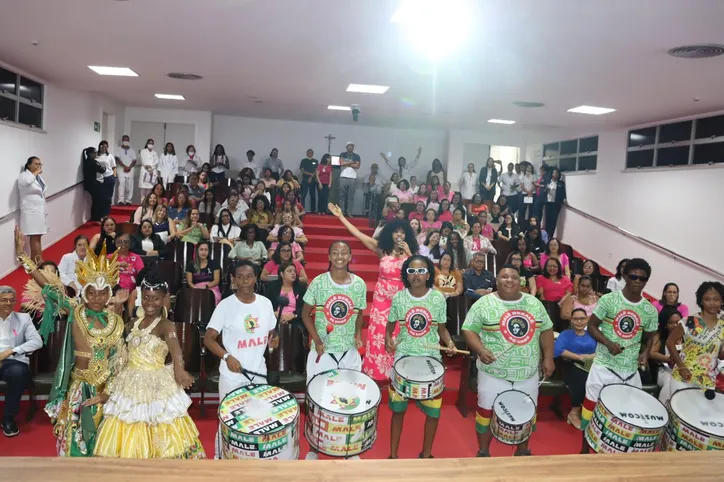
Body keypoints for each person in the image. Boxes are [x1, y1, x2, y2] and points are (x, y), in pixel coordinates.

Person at [15, 226, 126, 456]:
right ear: (84, 292)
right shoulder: (75, 311)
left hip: (105, 390)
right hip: (79, 387)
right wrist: (23, 258)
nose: (97, 298)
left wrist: (107, 393)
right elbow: (47, 286)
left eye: (102, 293)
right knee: (75, 442)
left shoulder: (116, 321)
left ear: (108, 294)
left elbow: (119, 362)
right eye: (92, 292)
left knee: (104, 444)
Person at [93, 272, 205, 458]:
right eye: (146, 298)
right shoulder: (132, 324)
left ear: (163, 300)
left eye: (155, 299)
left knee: (158, 422)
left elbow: (176, 351)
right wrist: (119, 305)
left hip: (156, 382)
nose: (150, 303)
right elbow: (116, 339)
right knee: (128, 420)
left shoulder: (166, 325)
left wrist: (180, 370)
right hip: (129, 382)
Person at [462, 264, 555, 457]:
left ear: (520, 280)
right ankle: (483, 452)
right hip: (493, 372)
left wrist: (548, 358)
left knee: (526, 413)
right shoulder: (483, 303)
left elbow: (546, 329)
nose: (509, 280)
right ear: (496, 280)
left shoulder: (533, 303)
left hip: (527, 373)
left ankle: (522, 451)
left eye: (513, 277)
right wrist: (480, 350)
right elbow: (468, 329)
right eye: (504, 277)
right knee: (486, 412)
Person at [329, 204, 417, 381]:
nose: (399, 235)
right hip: (382, 301)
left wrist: (410, 255)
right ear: (390, 233)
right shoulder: (381, 250)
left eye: (402, 232)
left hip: (403, 301)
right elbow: (358, 235)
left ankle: (399, 373)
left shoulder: (413, 253)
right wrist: (341, 217)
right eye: (395, 232)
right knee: (380, 335)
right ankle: (377, 372)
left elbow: (418, 277)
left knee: (400, 336)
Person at [580, 258, 658, 452]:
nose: (638, 281)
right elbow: (591, 326)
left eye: (642, 278)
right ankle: (584, 447)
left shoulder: (649, 310)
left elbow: (648, 338)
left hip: (630, 371)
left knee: (628, 415)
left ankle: (617, 452)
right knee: (591, 407)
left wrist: (645, 354)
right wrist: (607, 342)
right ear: (624, 276)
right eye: (633, 276)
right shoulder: (609, 300)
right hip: (604, 366)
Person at [203, 260, 279, 458]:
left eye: (249, 276)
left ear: (255, 278)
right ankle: (220, 459)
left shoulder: (265, 303)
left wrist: (274, 343)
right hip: (232, 376)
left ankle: (251, 463)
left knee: (257, 422)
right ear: (233, 279)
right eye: (240, 276)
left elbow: (273, 335)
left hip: (258, 374)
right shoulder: (226, 306)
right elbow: (208, 339)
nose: (245, 280)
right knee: (229, 422)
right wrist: (227, 356)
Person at [301, 241, 367, 459]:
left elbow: (358, 314)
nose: (339, 256)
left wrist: (357, 335)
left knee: (351, 400)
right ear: (329, 257)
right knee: (318, 401)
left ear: (350, 257)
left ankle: (350, 447)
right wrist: (317, 339)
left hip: (348, 352)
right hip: (323, 352)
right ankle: (314, 447)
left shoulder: (359, 284)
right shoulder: (319, 282)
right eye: (335, 253)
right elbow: (305, 314)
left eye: (344, 253)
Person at [385, 255, 454, 459]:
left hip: (430, 359)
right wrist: (388, 339)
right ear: (406, 274)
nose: (416, 275)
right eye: (412, 271)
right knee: (398, 411)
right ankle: (393, 455)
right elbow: (390, 327)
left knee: (433, 413)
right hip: (403, 358)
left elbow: (442, 330)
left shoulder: (438, 298)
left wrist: (449, 343)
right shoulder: (399, 297)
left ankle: (426, 454)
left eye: (421, 271)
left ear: (428, 274)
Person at [664, 281, 724, 402]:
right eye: (707, 299)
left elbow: (721, 356)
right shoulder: (689, 321)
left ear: (721, 301)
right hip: (682, 378)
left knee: (701, 420)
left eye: (716, 299)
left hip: (707, 382)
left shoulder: (723, 327)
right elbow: (670, 342)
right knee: (680, 419)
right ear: (701, 301)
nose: (712, 303)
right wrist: (681, 367)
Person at [0, 286, 42, 437]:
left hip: (13, 361)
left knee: (18, 372)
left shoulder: (23, 319)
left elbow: (37, 342)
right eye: (4, 300)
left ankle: (8, 417)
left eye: (12, 300)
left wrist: (11, 351)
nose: (8, 303)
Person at [554, 307, 597, 429]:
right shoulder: (565, 334)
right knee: (581, 377)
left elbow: (600, 351)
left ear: (587, 320)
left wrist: (589, 356)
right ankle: (574, 413)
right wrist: (579, 358)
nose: (579, 321)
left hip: (592, 365)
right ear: (571, 321)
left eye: (582, 318)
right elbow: (558, 350)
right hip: (570, 365)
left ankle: (593, 413)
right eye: (576, 319)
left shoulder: (592, 334)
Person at [18, 156, 47, 262]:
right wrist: (36, 173)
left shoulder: (38, 177)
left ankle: (37, 260)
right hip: (31, 212)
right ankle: (38, 261)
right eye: (36, 164)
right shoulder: (24, 176)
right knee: (34, 237)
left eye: (40, 164)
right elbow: (27, 182)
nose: (38, 166)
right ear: (29, 165)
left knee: (38, 236)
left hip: (39, 211)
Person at [651, 306, 683, 404]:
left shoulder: (687, 336)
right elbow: (652, 353)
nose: (675, 325)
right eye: (671, 323)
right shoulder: (660, 336)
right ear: (665, 324)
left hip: (682, 370)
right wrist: (668, 359)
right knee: (670, 381)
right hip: (664, 371)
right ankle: (663, 408)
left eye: (678, 322)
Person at [113, 233, 144, 315]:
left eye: (126, 242)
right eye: (120, 242)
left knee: (134, 294)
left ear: (130, 244)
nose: (123, 244)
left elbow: (142, 274)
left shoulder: (136, 257)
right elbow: (103, 274)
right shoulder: (109, 257)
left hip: (131, 289)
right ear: (115, 243)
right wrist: (115, 266)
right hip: (114, 288)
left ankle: (131, 322)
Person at [82, 147, 106, 222]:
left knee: (96, 201)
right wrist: (104, 167)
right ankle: (96, 218)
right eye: (95, 153)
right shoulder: (92, 162)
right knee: (97, 202)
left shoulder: (87, 161)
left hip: (91, 184)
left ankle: (97, 217)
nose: (96, 154)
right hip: (93, 185)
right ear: (90, 154)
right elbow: (102, 170)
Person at [339, 142, 361, 216]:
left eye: (352, 146)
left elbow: (357, 166)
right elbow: (341, 163)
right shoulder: (343, 154)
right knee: (342, 196)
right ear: (346, 147)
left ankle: (349, 212)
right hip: (343, 177)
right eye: (349, 146)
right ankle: (341, 211)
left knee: (350, 196)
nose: (350, 147)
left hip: (353, 178)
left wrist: (347, 163)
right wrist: (352, 162)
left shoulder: (357, 156)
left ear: (353, 147)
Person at [96, 141, 117, 218]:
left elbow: (114, 167)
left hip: (109, 177)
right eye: (102, 146)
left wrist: (114, 177)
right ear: (99, 146)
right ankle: (99, 215)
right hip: (99, 179)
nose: (104, 148)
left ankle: (106, 214)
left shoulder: (110, 156)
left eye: (106, 147)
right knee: (100, 197)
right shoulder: (96, 155)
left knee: (108, 197)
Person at [544, 168, 566, 238]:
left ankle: (551, 236)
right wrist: (546, 190)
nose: (555, 174)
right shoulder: (548, 181)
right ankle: (546, 236)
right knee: (547, 220)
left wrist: (564, 199)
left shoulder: (561, 183)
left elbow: (563, 192)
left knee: (553, 221)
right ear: (552, 174)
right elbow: (544, 192)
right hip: (548, 203)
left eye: (557, 173)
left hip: (556, 204)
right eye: (554, 173)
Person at [114, 135, 136, 206]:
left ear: (129, 141)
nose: (125, 141)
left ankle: (128, 200)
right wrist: (124, 166)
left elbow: (134, 160)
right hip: (121, 169)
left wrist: (129, 167)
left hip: (130, 169)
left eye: (127, 140)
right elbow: (117, 159)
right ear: (122, 140)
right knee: (122, 184)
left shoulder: (132, 150)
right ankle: (120, 200)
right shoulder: (118, 149)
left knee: (129, 185)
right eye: (124, 140)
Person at [299, 149, 319, 213]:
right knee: (303, 195)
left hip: (313, 180)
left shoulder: (315, 161)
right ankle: (302, 210)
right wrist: (310, 174)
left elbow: (316, 170)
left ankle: (313, 210)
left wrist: (311, 176)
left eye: (311, 153)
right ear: (307, 153)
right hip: (305, 179)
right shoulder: (304, 161)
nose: (310, 154)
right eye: (308, 153)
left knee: (313, 195)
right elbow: (302, 170)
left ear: (313, 154)